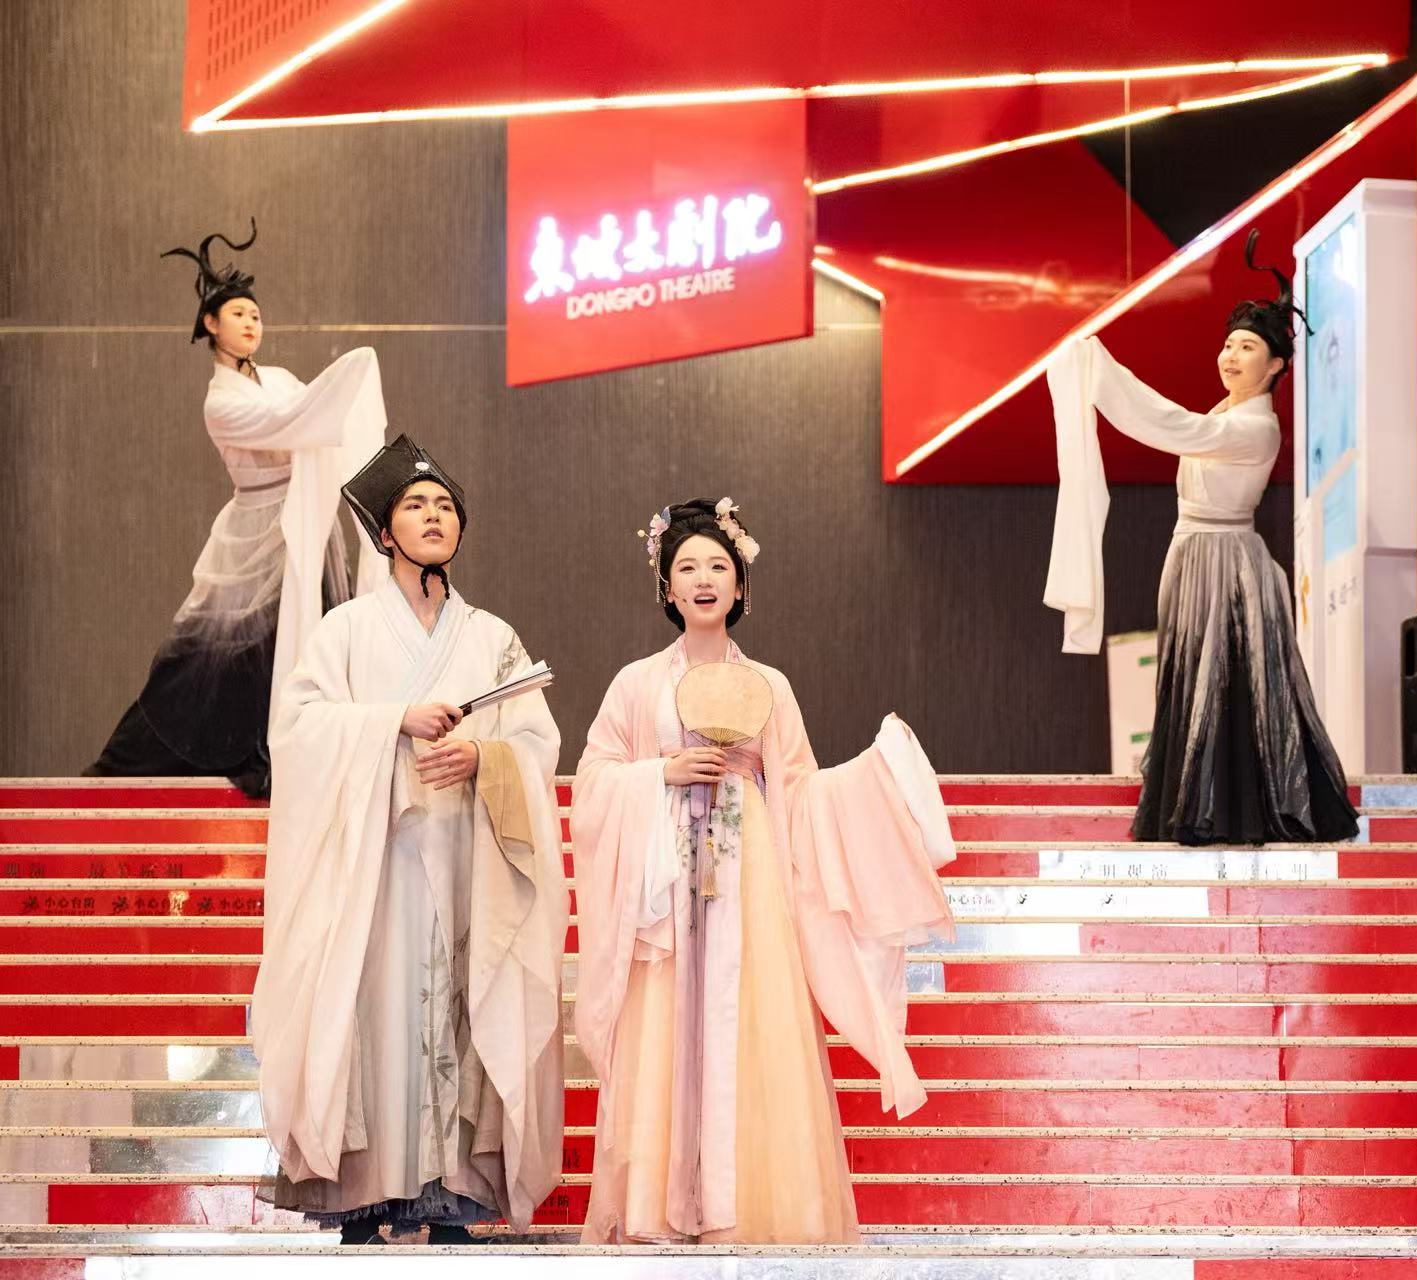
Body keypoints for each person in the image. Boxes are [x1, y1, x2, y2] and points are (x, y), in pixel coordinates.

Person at [572, 497, 956, 1243]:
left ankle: (750, 1209)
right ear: (666, 586)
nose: (703, 579)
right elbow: (592, 782)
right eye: (687, 567)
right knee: (666, 1029)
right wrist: (660, 772)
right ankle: (657, 1208)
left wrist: (874, 778)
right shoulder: (635, 685)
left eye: (718, 566)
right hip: (664, 884)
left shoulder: (772, 686)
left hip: (748, 878)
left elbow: (801, 791)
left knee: (752, 1027)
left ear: (740, 583)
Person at [253, 436, 567, 1245]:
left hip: (467, 858)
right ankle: (366, 1198)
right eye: (416, 506)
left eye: (446, 507)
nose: (434, 517)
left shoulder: (492, 637)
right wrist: (394, 719)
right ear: (384, 531)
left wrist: (485, 757)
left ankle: (450, 1196)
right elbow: (297, 729)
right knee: (373, 1014)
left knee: (464, 1003)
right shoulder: (347, 631)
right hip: (375, 864)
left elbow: (535, 741)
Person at [1043, 236, 1357, 844]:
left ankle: (1229, 809)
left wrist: (1102, 372)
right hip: (1194, 556)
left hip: (1226, 563)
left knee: (1230, 682)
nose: (1231, 356)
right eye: (1229, 345)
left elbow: (1173, 427)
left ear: (1276, 366)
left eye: (1248, 347)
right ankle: (1199, 801)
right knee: (1193, 678)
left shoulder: (1255, 426)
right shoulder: (1225, 414)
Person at [86, 221, 386, 796]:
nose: (251, 323)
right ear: (211, 324)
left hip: (306, 523)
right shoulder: (221, 402)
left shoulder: (278, 378)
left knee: (308, 643)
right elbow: (297, 421)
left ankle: (290, 755)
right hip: (258, 531)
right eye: (239, 314)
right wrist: (352, 372)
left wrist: (349, 387)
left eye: (256, 315)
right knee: (207, 656)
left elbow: (320, 417)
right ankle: (121, 767)